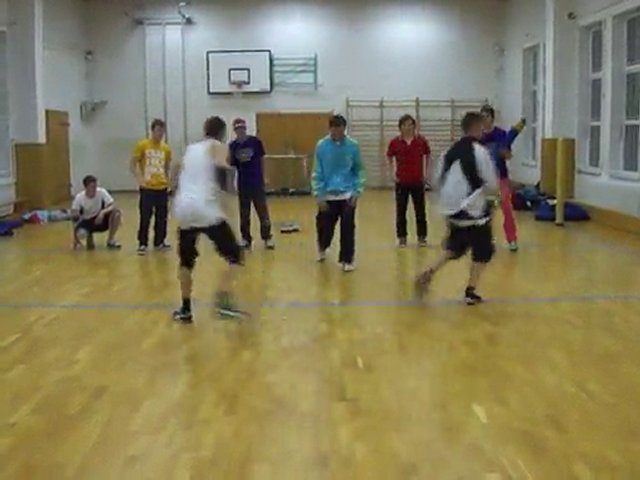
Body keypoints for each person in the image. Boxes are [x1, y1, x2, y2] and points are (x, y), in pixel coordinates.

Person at [414, 112, 498, 305]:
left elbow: (437, 180)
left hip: (451, 210)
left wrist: (446, 205)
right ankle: (470, 291)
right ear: (476, 128)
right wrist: (492, 200)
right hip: (472, 210)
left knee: (456, 246)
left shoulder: (449, 152)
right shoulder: (480, 151)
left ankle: (429, 271)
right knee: (483, 250)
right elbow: (491, 182)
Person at [171, 116, 244, 322]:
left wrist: (173, 189)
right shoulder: (218, 146)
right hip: (205, 207)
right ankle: (222, 300)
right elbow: (221, 165)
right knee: (235, 257)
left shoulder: (190, 149)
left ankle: (185, 309)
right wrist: (231, 186)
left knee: (186, 262)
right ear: (222, 133)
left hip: (184, 208)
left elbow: (175, 168)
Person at [312, 114, 365, 272]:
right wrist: (319, 194)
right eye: (334, 128)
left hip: (347, 194)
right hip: (327, 193)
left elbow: (359, 170)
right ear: (330, 129)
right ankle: (322, 246)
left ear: (344, 129)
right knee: (325, 227)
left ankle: (347, 259)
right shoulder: (322, 146)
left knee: (348, 227)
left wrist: (357, 192)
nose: (337, 132)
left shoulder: (353, 146)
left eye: (340, 128)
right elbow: (317, 171)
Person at [480, 105, 526, 252]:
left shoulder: (501, 134)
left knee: (506, 207)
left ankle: (512, 239)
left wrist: (505, 153)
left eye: (487, 116)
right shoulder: (479, 137)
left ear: (492, 118)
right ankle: (486, 239)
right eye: (482, 117)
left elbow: (508, 155)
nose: (484, 120)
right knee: (485, 210)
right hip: (485, 179)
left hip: (501, 177)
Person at [228, 118, 274, 250]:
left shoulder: (255, 142)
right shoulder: (233, 146)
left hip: (257, 182)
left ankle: (267, 237)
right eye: (238, 129)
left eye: (242, 128)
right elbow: (232, 166)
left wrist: (265, 176)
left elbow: (262, 159)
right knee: (244, 213)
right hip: (243, 183)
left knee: (262, 211)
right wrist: (231, 184)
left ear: (245, 129)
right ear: (235, 131)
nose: (240, 131)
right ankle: (246, 238)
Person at [387, 114, 431, 247]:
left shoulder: (421, 141)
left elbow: (428, 155)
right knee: (401, 210)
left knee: (420, 210)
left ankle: (422, 237)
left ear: (414, 126)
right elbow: (389, 157)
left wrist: (426, 172)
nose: (408, 127)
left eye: (411, 125)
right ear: (400, 127)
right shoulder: (395, 142)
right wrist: (392, 173)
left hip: (417, 180)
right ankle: (402, 237)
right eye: (405, 125)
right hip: (401, 181)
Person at [130, 119, 172, 256]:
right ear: (152, 130)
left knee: (162, 216)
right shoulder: (143, 145)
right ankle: (142, 243)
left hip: (162, 187)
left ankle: (159, 241)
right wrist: (139, 179)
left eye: (162, 131)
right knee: (145, 216)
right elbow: (133, 164)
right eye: (158, 130)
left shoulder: (166, 149)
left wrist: (168, 182)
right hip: (148, 187)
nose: (160, 133)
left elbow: (166, 167)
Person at [71, 175, 122, 250]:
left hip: (100, 220)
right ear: (86, 187)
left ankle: (110, 240)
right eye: (92, 187)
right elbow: (74, 217)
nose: (94, 189)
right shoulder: (79, 197)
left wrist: (102, 213)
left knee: (117, 213)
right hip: (87, 221)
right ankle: (88, 235)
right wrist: (75, 238)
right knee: (81, 234)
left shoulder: (101, 192)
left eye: (95, 186)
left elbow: (113, 205)